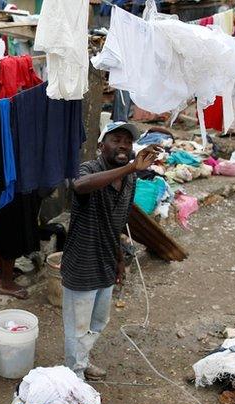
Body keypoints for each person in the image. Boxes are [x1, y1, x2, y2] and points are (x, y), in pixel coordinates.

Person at [59, 122, 161, 380]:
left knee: (97, 322)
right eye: (116, 140)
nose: (123, 145)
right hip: (82, 260)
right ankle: (74, 377)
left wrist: (119, 260)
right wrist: (130, 167)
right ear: (101, 145)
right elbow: (80, 185)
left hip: (106, 259)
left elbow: (118, 223)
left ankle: (81, 362)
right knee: (77, 327)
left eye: (128, 141)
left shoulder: (130, 179)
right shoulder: (90, 168)